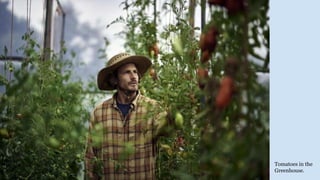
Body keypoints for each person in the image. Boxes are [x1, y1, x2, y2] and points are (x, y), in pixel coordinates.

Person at [85, 52, 169, 180]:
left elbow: (168, 133)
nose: (133, 76)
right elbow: (91, 157)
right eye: (127, 72)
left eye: (135, 72)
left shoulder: (153, 109)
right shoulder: (100, 113)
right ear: (114, 79)